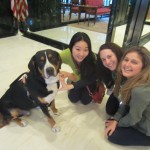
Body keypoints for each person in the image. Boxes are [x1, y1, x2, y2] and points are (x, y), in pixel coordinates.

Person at [105, 46, 150, 146]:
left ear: (144, 67)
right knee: (111, 120)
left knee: (112, 135)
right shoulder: (132, 78)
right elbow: (125, 101)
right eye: (126, 59)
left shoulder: (140, 91)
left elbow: (134, 118)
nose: (127, 64)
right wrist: (116, 119)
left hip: (146, 128)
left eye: (134, 62)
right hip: (140, 114)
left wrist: (118, 123)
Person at [59, 32, 98, 105]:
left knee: (85, 101)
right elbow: (53, 60)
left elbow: (90, 79)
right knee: (73, 98)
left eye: (86, 50)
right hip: (77, 78)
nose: (81, 54)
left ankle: (71, 79)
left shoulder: (92, 58)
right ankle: (71, 80)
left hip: (87, 80)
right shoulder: (67, 53)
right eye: (78, 49)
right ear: (71, 47)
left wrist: (69, 75)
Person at [97, 43, 124, 115]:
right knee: (110, 110)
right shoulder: (112, 70)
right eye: (103, 59)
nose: (107, 62)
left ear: (117, 54)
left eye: (109, 56)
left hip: (133, 95)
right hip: (119, 90)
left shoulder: (126, 68)